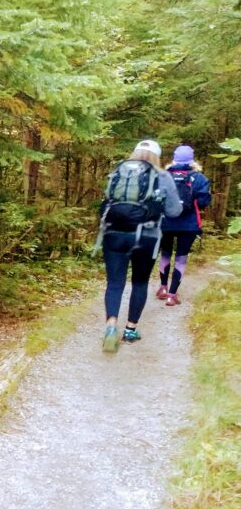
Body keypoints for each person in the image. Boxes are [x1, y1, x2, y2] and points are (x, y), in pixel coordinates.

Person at [99, 139, 182, 352]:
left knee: (115, 283)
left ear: (134, 153)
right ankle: (130, 330)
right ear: (157, 156)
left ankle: (110, 326)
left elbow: (107, 202)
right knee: (139, 282)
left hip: (114, 234)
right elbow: (174, 211)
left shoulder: (118, 172)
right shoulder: (163, 176)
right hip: (147, 236)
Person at [156, 145, 212, 306]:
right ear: (192, 160)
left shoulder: (163, 176)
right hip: (188, 224)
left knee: (165, 254)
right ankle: (172, 296)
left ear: (174, 159)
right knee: (181, 258)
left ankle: (163, 288)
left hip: (165, 223)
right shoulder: (200, 178)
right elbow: (203, 202)